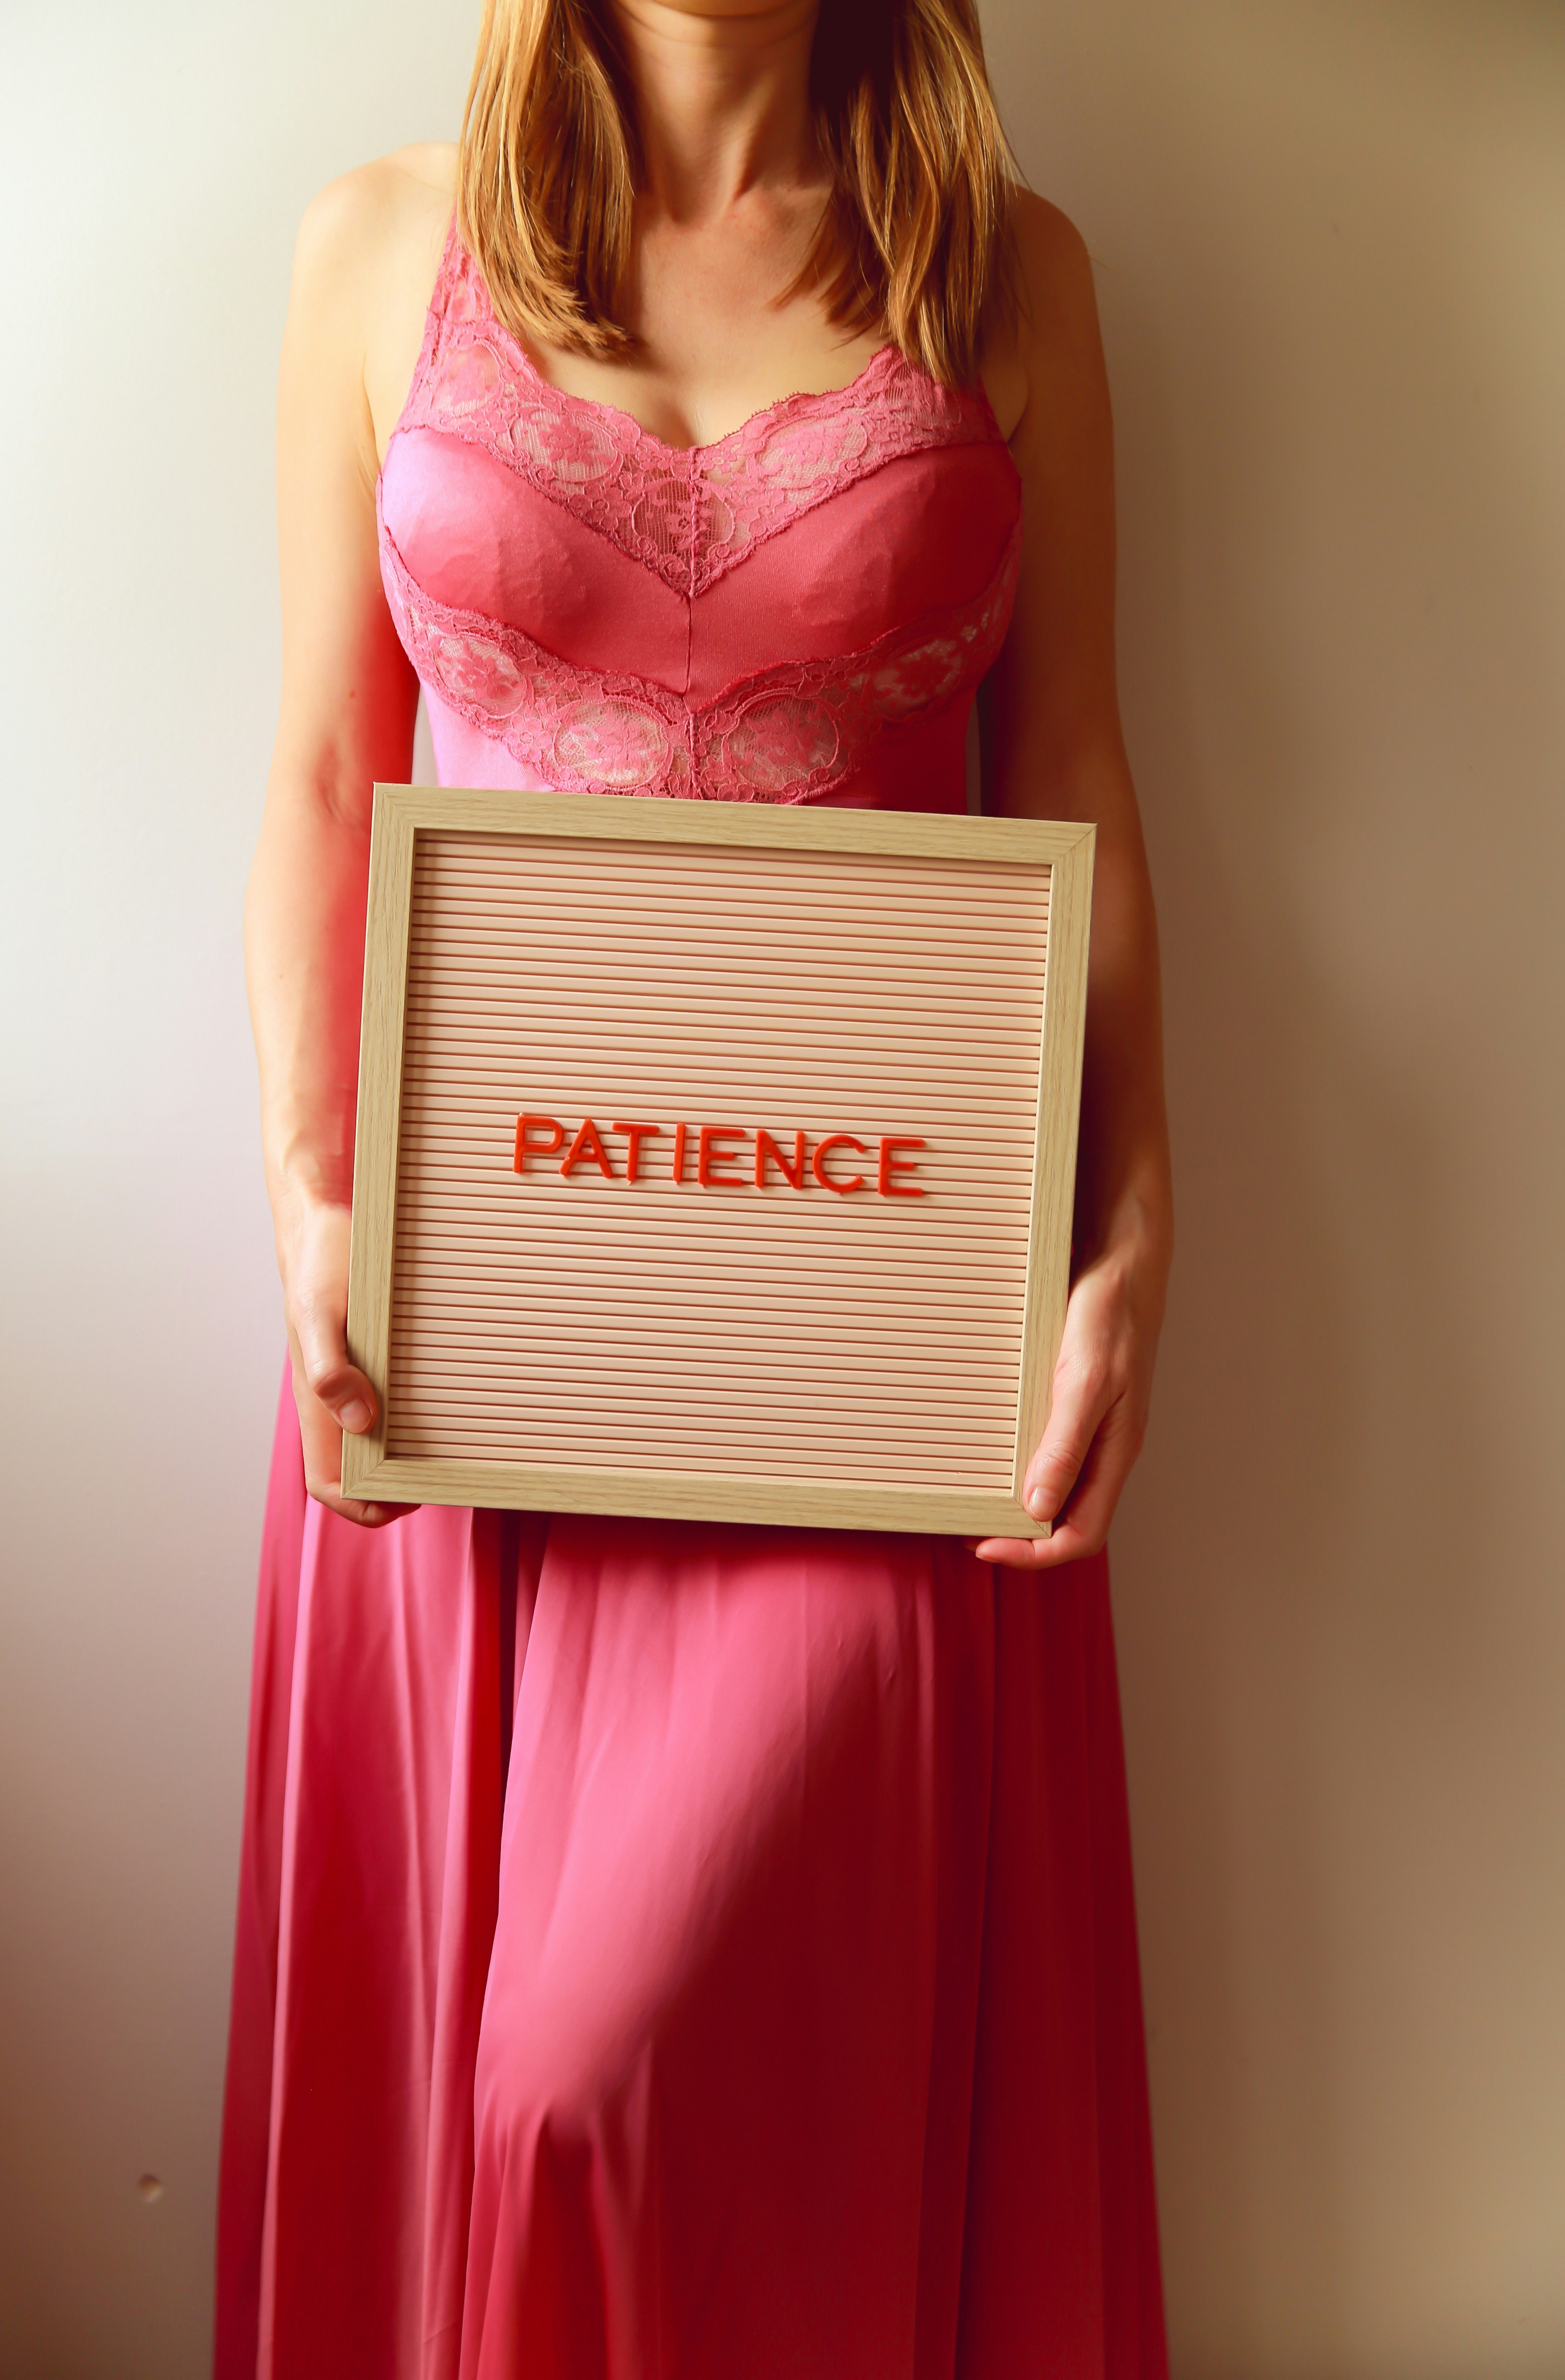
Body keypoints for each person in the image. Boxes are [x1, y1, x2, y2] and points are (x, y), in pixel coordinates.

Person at [218, 0, 1175, 2371]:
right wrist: (314, 1202)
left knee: (586, 2077)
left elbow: (1073, 769)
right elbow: (324, 770)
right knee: (504, 2105)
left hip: (869, 1353)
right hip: (463, 1325)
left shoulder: (1010, 274)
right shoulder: (378, 247)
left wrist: (1138, 1223)